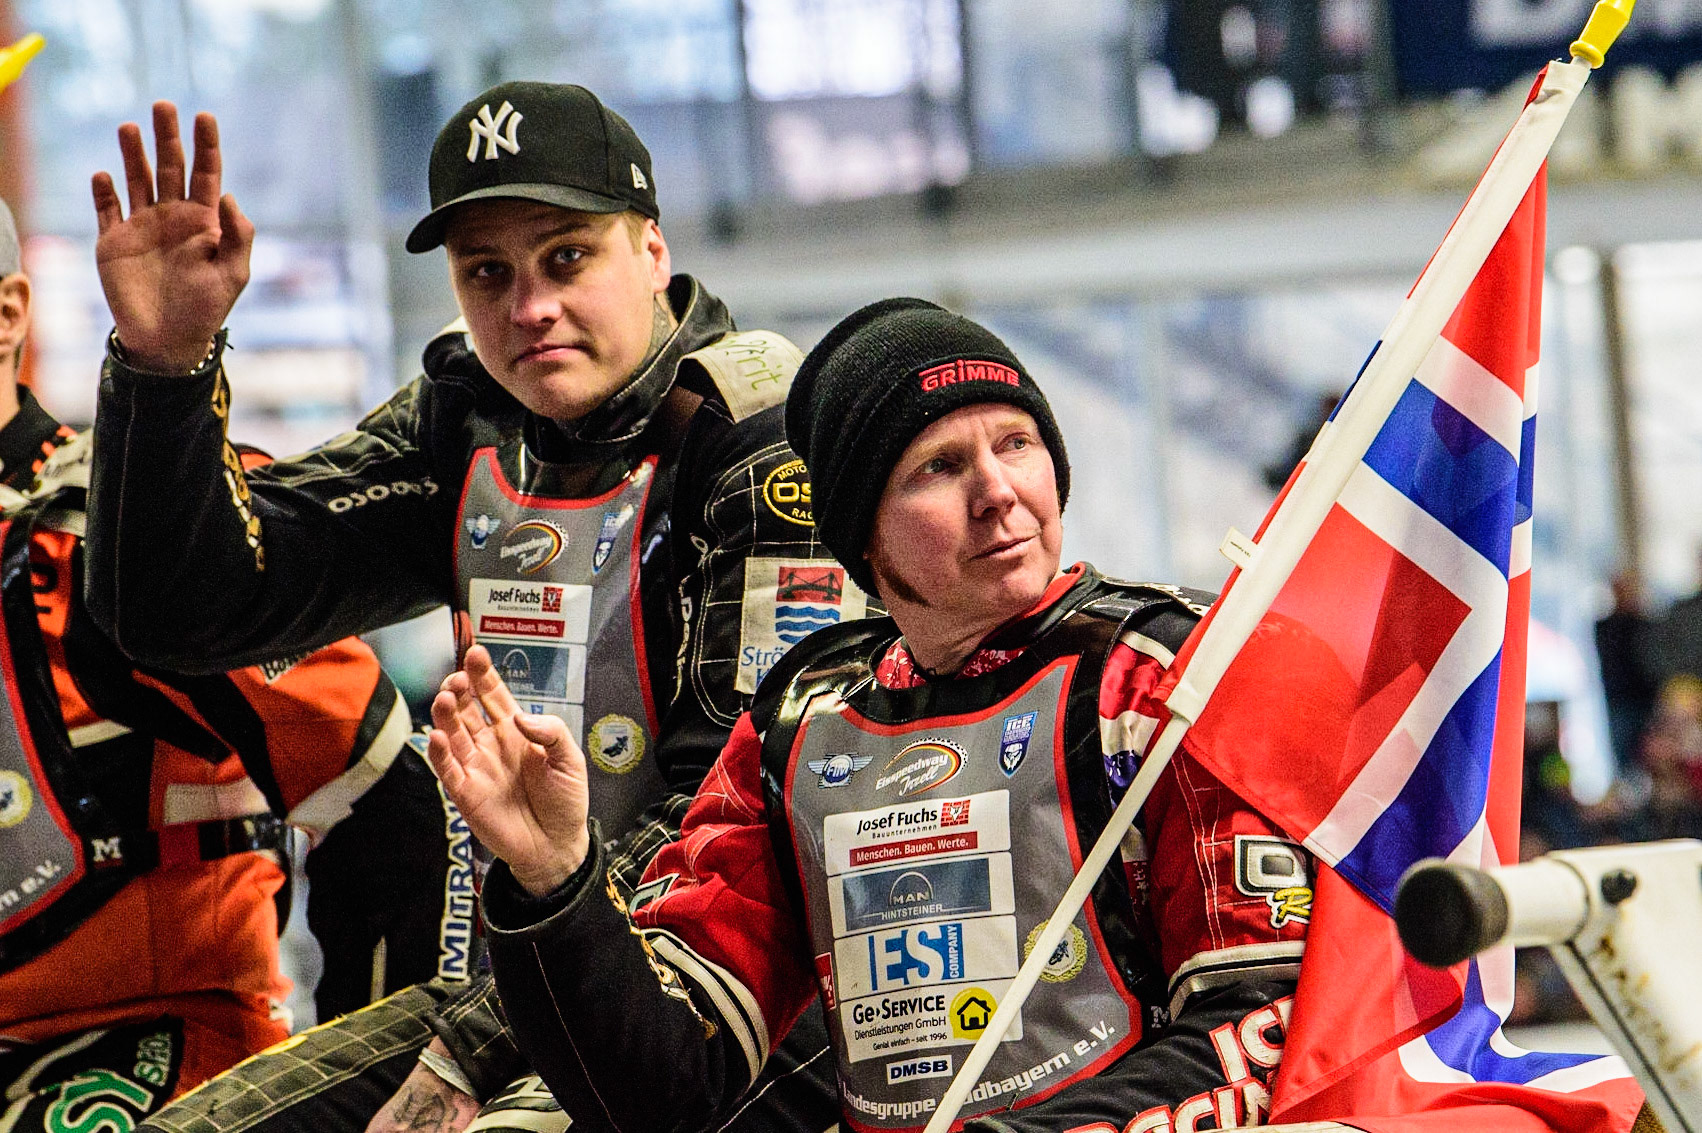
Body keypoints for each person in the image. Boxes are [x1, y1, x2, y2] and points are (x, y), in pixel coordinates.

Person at [85, 86, 852, 1133]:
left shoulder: (757, 440)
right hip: (513, 984)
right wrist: (164, 368)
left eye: (566, 258)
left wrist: (465, 1055)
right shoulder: (472, 414)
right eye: (487, 272)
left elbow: (727, 814)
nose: (527, 306)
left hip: (731, 1000)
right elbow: (186, 613)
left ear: (653, 250)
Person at [431, 299, 1313, 1133]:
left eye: (1016, 442)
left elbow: (1267, 1023)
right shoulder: (801, 718)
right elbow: (660, 1088)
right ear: (861, 534)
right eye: (938, 466)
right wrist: (554, 881)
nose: (998, 491)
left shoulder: (1164, 671)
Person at [0, 198, 460, 1132]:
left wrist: (372, 1089)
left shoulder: (124, 534)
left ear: (9, 315)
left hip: (159, 1045)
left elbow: (392, 809)